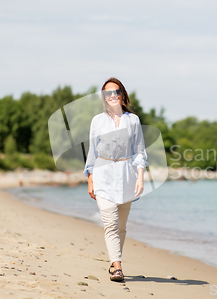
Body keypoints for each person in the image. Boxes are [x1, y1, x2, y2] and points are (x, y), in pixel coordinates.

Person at [83, 77, 148, 282]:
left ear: (122, 94)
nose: (112, 95)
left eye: (116, 91)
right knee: (110, 224)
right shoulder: (97, 121)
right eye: (107, 93)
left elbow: (139, 152)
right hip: (103, 173)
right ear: (104, 98)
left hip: (126, 175)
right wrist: (90, 179)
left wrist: (140, 177)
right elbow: (92, 153)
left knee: (121, 226)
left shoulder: (133, 120)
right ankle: (118, 267)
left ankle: (113, 261)